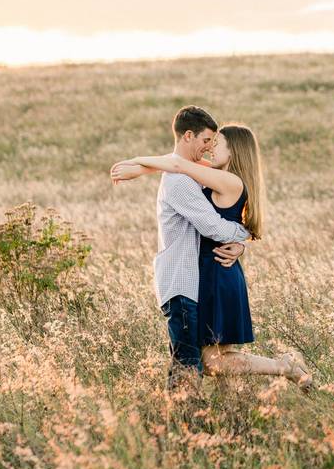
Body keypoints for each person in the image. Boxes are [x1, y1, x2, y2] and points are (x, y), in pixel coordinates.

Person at [112, 114, 312, 390]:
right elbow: (179, 165)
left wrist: (136, 164)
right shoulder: (213, 176)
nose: (210, 148)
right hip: (206, 274)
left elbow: (178, 165)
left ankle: (283, 367)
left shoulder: (230, 182)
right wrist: (142, 169)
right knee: (213, 361)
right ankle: (276, 374)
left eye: (217, 143)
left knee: (210, 362)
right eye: (209, 141)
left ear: (234, 152)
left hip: (217, 273)